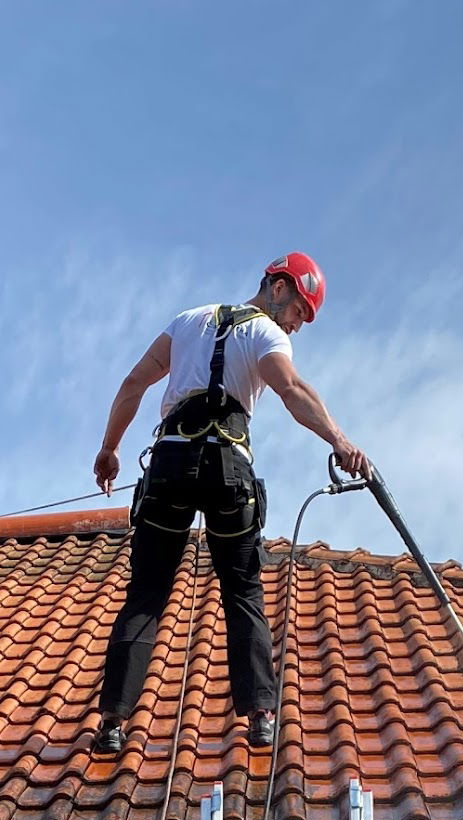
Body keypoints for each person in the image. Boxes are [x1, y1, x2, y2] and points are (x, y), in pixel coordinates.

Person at [91, 253, 369, 755]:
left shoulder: (187, 322)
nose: (297, 326)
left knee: (148, 591)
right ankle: (260, 714)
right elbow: (290, 388)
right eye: (300, 312)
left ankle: (113, 721)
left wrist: (110, 449)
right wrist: (339, 439)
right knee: (242, 587)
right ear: (278, 288)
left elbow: (134, 383)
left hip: (169, 465)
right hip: (226, 467)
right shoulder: (266, 334)